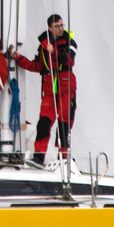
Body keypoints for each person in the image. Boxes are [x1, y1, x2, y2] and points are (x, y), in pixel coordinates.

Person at [14, 13, 77, 166]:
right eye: (57, 26)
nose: (61, 28)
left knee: (64, 124)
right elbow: (38, 66)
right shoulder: (44, 45)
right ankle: (39, 156)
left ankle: (64, 157)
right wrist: (19, 59)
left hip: (66, 87)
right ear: (50, 28)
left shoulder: (69, 42)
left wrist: (54, 51)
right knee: (43, 123)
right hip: (49, 89)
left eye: (62, 25)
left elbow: (69, 59)